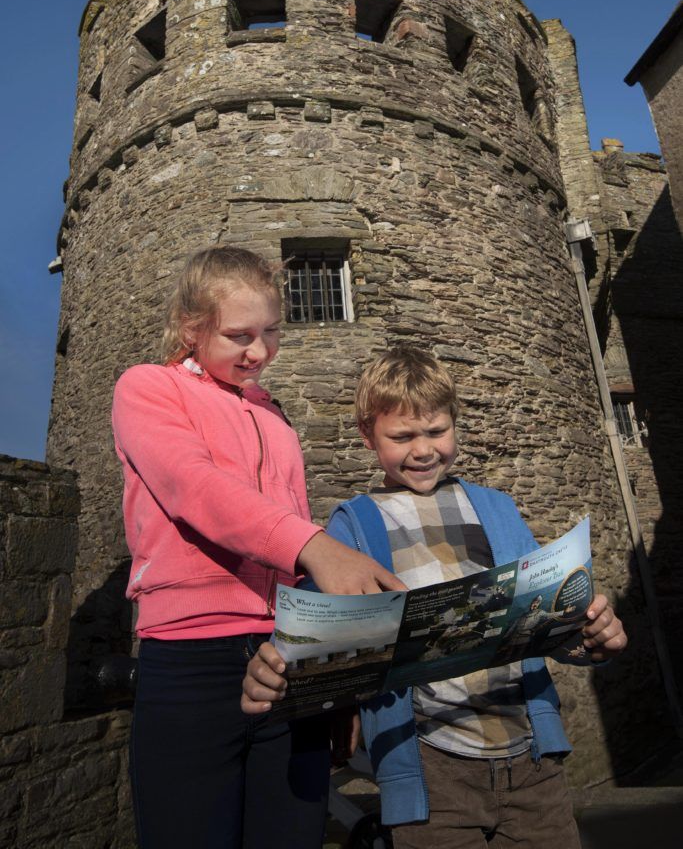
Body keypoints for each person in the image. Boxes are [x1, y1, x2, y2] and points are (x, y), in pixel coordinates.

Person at [242, 346, 627, 849]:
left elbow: (549, 623)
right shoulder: (354, 523)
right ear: (367, 436)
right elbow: (318, 630)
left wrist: (592, 637)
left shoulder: (498, 508)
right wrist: (276, 665)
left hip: (530, 756)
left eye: (437, 431)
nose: (423, 450)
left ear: (455, 423)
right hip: (428, 766)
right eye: (401, 436)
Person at [112, 245, 403, 849]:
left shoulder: (274, 417)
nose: (260, 351)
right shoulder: (146, 389)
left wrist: (335, 683)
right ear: (192, 327)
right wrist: (316, 547)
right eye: (239, 335)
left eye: (271, 331)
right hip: (191, 657)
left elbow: (292, 548)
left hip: (288, 655)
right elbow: (195, 488)